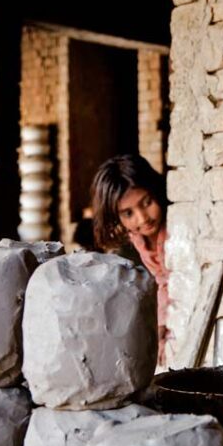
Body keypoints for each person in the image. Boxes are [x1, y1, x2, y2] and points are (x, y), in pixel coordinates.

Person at [91, 154, 171, 366]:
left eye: (147, 202)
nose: (143, 218)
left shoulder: (176, 229)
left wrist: (163, 324)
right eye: (128, 213)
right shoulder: (131, 245)